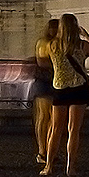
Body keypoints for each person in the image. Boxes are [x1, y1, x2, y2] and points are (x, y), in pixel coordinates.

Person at [43, 14, 89, 177]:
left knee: (55, 129)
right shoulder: (82, 45)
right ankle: (71, 167)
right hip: (78, 87)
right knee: (73, 130)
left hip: (59, 88)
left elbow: (47, 60)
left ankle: (48, 166)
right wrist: (85, 34)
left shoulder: (52, 45)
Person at [30, 19, 59, 166]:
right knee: (43, 117)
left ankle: (49, 150)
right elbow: (41, 61)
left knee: (53, 118)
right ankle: (42, 151)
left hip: (55, 81)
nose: (54, 31)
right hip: (45, 81)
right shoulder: (43, 42)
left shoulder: (53, 43)